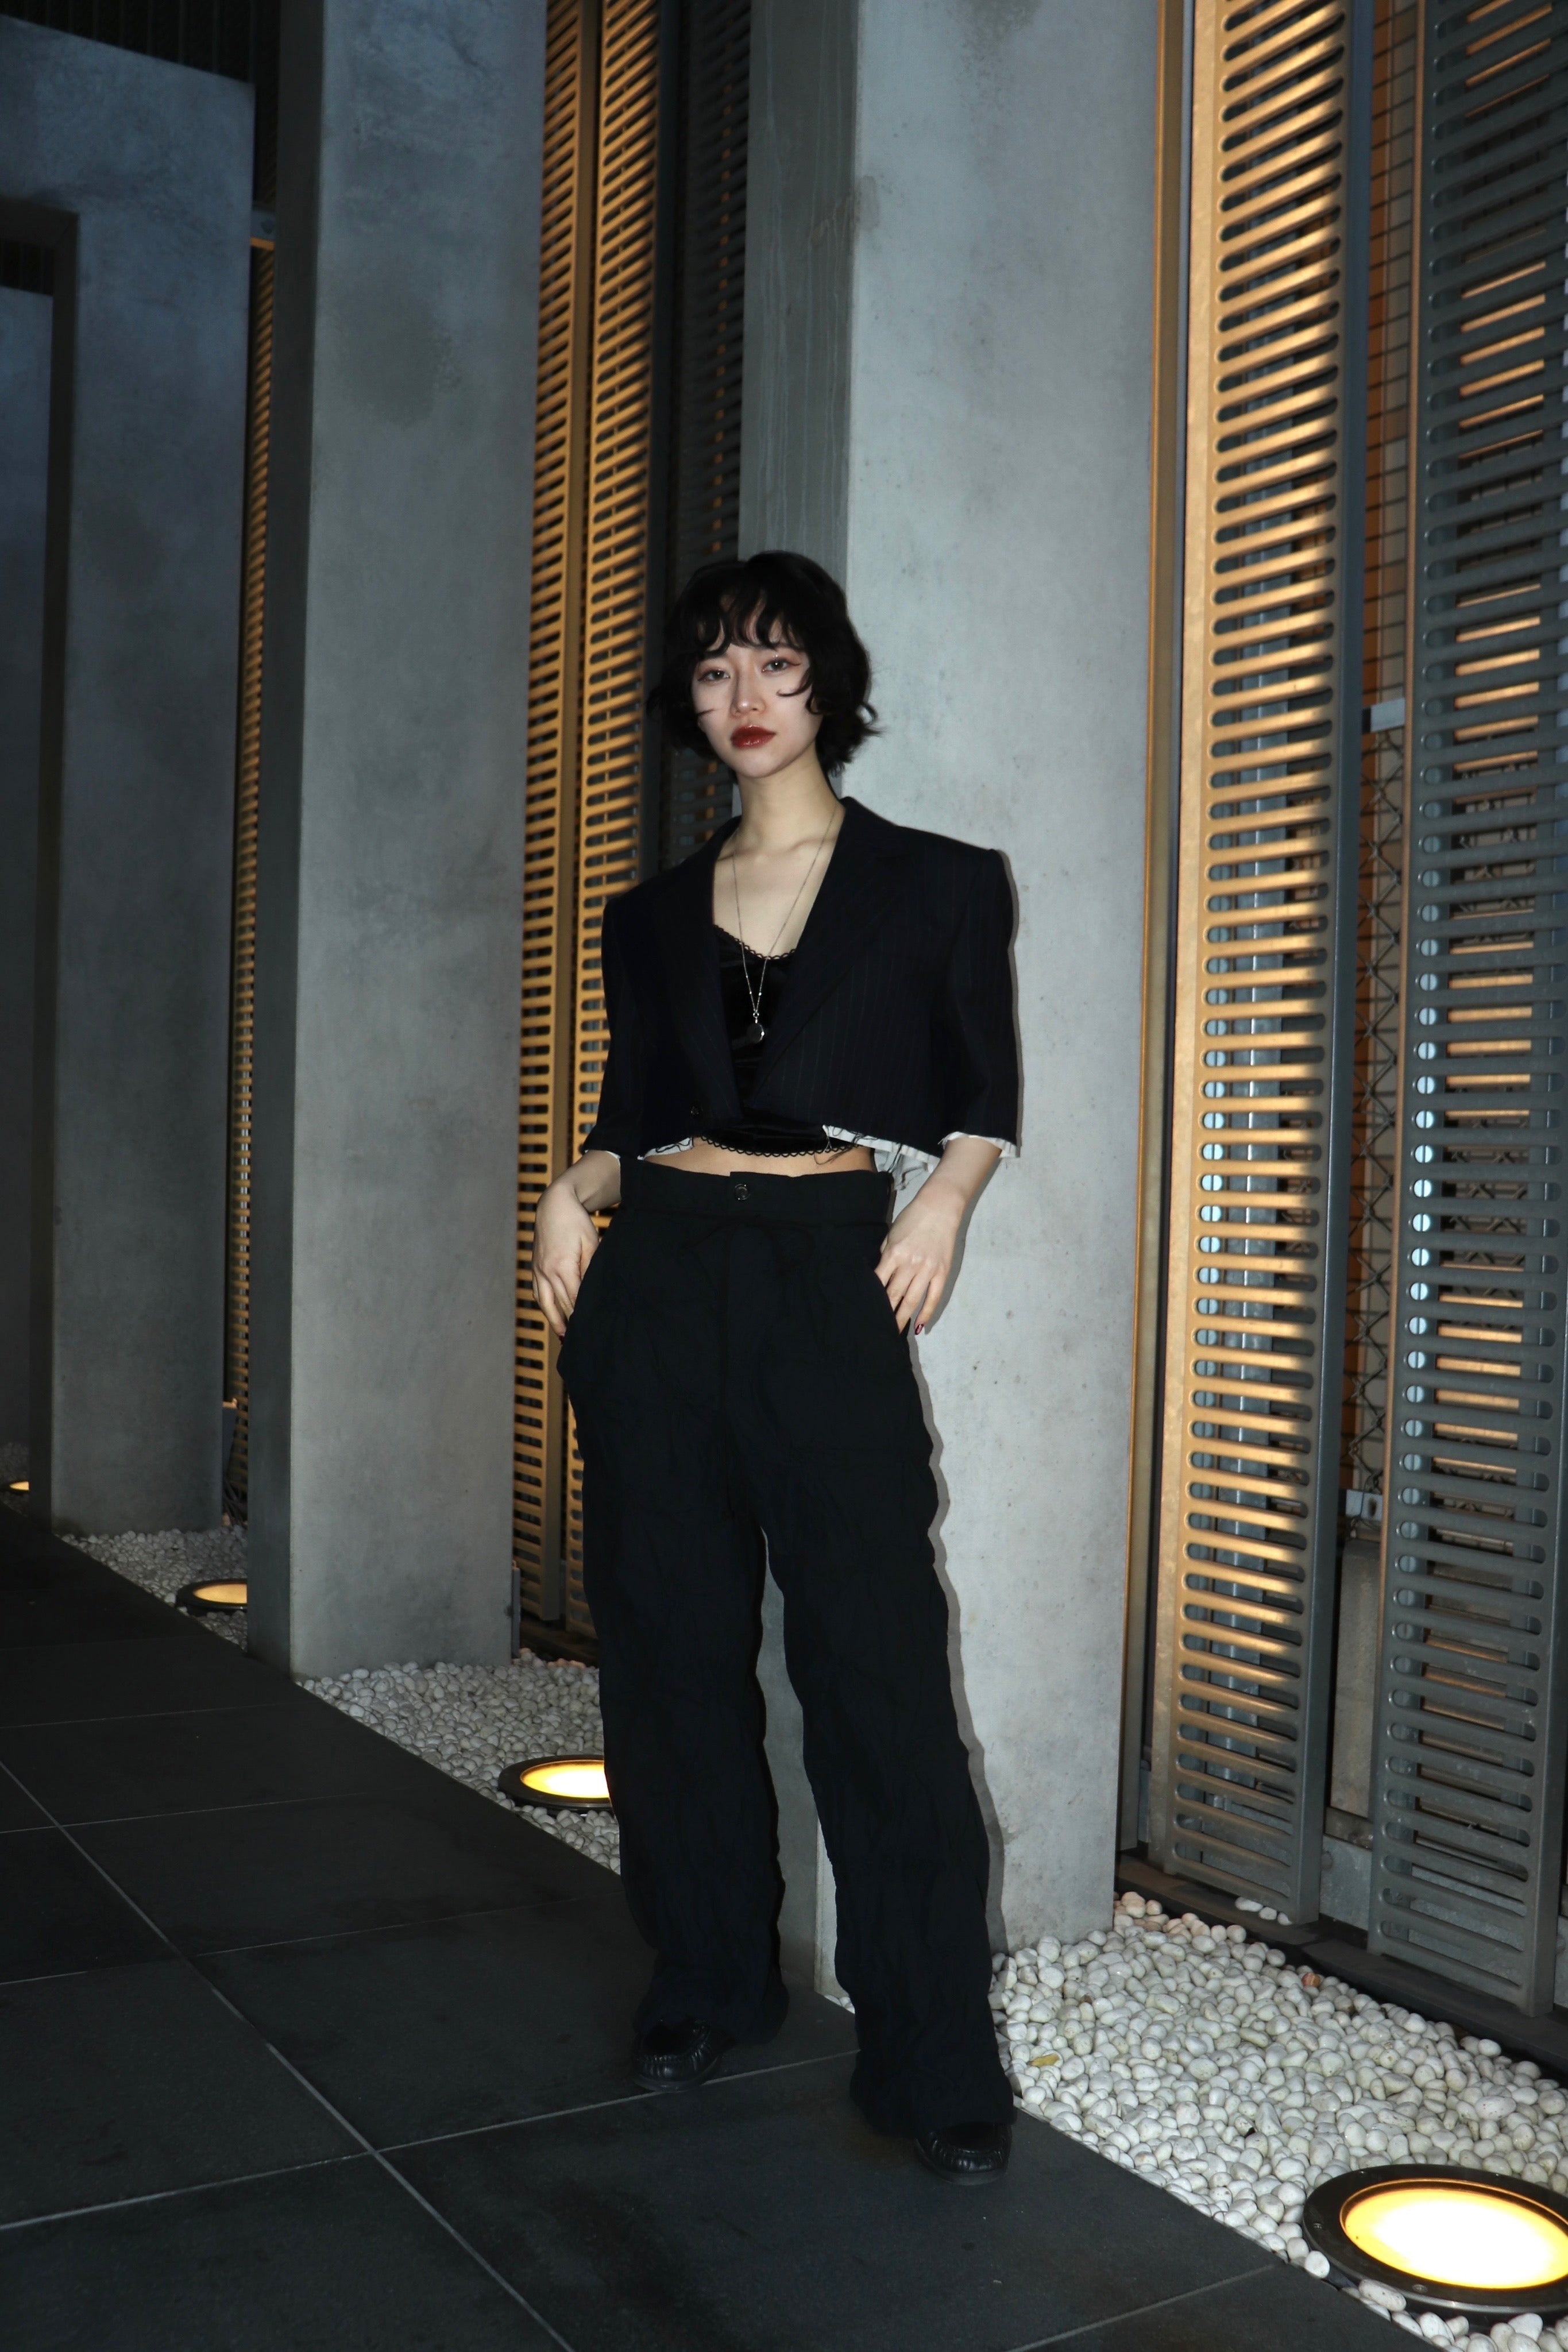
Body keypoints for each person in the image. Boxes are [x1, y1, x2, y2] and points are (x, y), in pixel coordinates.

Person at [531, 549, 1019, 2185]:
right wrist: (570, 1190)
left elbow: (979, 1090)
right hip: (660, 1281)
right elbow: (634, 1118)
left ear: (829, 683)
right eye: (715, 670)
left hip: (827, 1275)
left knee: (878, 1669)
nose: (743, 698)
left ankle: (932, 2055)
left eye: (776, 664)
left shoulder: (938, 884)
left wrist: (944, 1197)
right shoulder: (648, 916)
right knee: (668, 1660)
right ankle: (706, 1977)